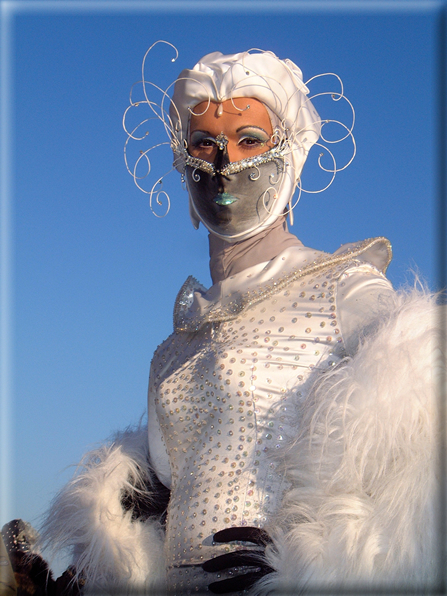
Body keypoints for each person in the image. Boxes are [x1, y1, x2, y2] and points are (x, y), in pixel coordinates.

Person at [10, 44, 442, 595]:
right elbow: (167, 504)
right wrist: (100, 569)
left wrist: (316, 567)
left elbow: (418, 468)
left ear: (288, 154)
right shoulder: (172, 349)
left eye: (249, 140)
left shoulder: (344, 291)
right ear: (180, 156)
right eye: (204, 142)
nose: (224, 162)